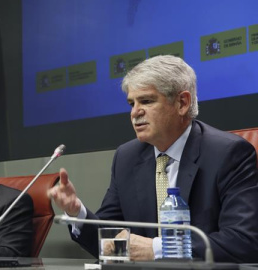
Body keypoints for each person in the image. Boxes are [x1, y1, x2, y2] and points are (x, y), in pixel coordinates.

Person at [48, 55, 258, 263]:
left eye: (146, 101)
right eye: (131, 103)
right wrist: (77, 212)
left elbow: (242, 241)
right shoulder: (127, 157)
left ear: (182, 103)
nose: (135, 112)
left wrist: (158, 249)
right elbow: (110, 243)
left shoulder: (228, 154)